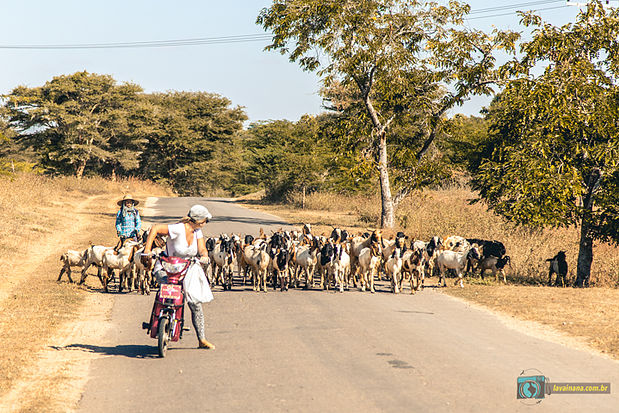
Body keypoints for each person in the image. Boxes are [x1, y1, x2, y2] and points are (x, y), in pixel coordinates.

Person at [142, 204, 215, 350]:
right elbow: (155, 228)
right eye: (205, 220)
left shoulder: (197, 231)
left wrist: (204, 255)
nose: (205, 224)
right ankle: (158, 320)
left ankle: (201, 339)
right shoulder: (178, 228)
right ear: (198, 220)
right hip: (166, 267)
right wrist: (147, 250)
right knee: (165, 291)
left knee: (195, 303)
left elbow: (202, 248)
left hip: (187, 268)